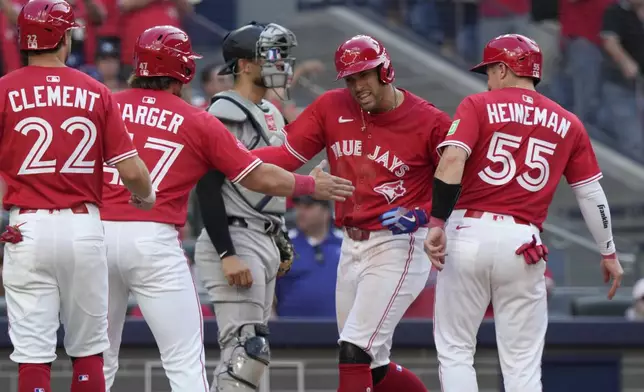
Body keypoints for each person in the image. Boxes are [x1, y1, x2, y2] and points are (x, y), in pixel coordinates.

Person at [100, 25, 354, 392]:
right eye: (270, 56)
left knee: (97, 355)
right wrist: (311, 186)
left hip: (100, 233)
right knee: (195, 360)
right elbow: (239, 177)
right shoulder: (201, 116)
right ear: (184, 70)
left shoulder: (106, 102)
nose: (278, 63)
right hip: (166, 238)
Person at [251, 34, 453, 392]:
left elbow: (458, 182)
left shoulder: (430, 120)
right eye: (350, 78)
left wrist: (422, 215)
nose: (358, 85)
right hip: (351, 244)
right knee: (372, 365)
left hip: (399, 243)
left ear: (384, 70)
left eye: (365, 75)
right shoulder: (332, 106)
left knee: (354, 349)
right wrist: (231, 156)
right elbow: (285, 157)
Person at [423, 34, 624, 392]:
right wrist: (608, 250)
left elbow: (452, 160)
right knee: (522, 364)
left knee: (456, 350)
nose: (487, 78)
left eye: (489, 70)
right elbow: (590, 192)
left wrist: (437, 221)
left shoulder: (477, 104)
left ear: (503, 68)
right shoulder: (569, 122)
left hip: (468, 231)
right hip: (524, 241)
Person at [0, 1, 154, 392]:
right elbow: (133, 171)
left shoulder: (3, 89)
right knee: (87, 351)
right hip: (83, 225)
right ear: (65, 37)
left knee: (33, 355)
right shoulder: (96, 90)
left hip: (26, 226)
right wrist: (145, 197)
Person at [192, 21, 303, 392]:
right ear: (244, 64)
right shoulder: (223, 110)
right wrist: (227, 251)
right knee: (245, 350)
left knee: (251, 352)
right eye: (270, 55)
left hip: (262, 235)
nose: (280, 63)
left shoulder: (270, 111)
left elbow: (271, 182)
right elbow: (207, 186)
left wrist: (281, 233)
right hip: (235, 236)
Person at [274, 196, 342, 318]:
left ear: (326, 211)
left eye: (308, 206)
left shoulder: (345, 244)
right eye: (298, 206)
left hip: (339, 330)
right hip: (289, 329)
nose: (300, 212)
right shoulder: (283, 243)